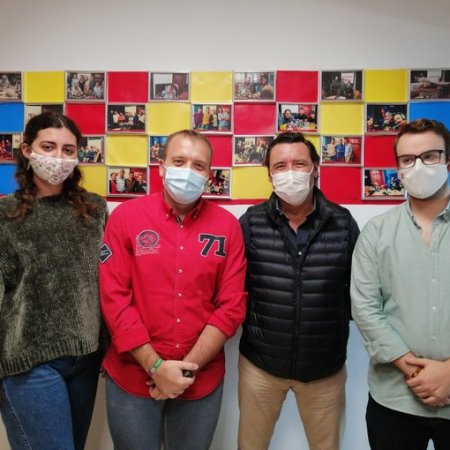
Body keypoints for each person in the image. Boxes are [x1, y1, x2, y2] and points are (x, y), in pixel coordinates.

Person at [99, 129, 248, 450]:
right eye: (179, 161)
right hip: (131, 377)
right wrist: (156, 367)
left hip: (200, 381)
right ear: (162, 167)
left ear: (209, 175)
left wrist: (184, 372)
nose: (188, 171)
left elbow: (232, 306)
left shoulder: (228, 227)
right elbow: (114, 299)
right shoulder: (126, 218)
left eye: (199, 165)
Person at [238, 132, 359, 450]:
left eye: (299, 164)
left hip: (324, 371)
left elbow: (359, 292)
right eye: (280, 165)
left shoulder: (343, 223)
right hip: (260, 367)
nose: (289, 172)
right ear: (269, 174)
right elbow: (235, 290)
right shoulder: (250, 223)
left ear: (315, 168)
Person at [0, 111, 108, 450]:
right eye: (48, 147)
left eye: (67, 149)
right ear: (27, 151)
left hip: (85, 357)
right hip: (29, 362)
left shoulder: (95, 209)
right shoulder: (5, 214)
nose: (58, 157)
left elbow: (107, 281)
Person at [351, 118, 450, 450]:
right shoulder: (376, 233)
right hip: (394, 400)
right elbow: (365, 309)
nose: (419, 166)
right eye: (408, 159)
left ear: (447, 160)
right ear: (398, 169)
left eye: (430, 156)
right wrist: (418, 373)